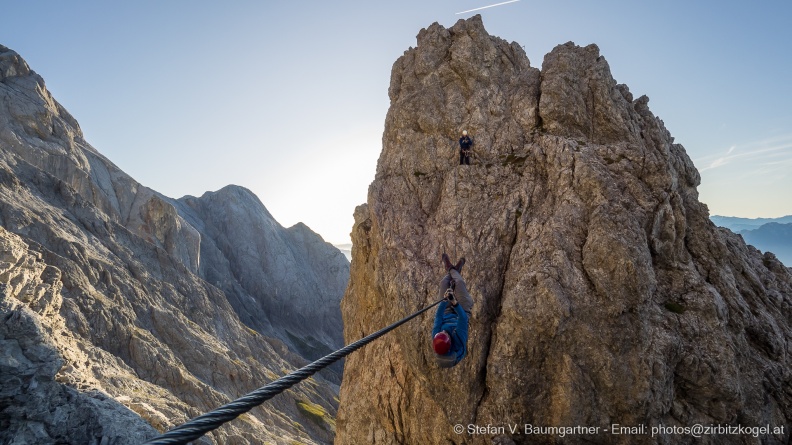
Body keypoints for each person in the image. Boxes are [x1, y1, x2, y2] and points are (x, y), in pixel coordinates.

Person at [431, 253, 473, 367]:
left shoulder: (436, 335)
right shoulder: (458, 341)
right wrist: (454, 302)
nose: (444, 331)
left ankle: (451, 269)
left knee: (444, 283)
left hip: (447, 312)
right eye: (445, 334)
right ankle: (452, 269)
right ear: (450, 340)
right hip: (463, 311)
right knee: (459, 283)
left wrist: (445, 300)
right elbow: (462, 319)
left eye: (441, 332)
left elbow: (438, 316)